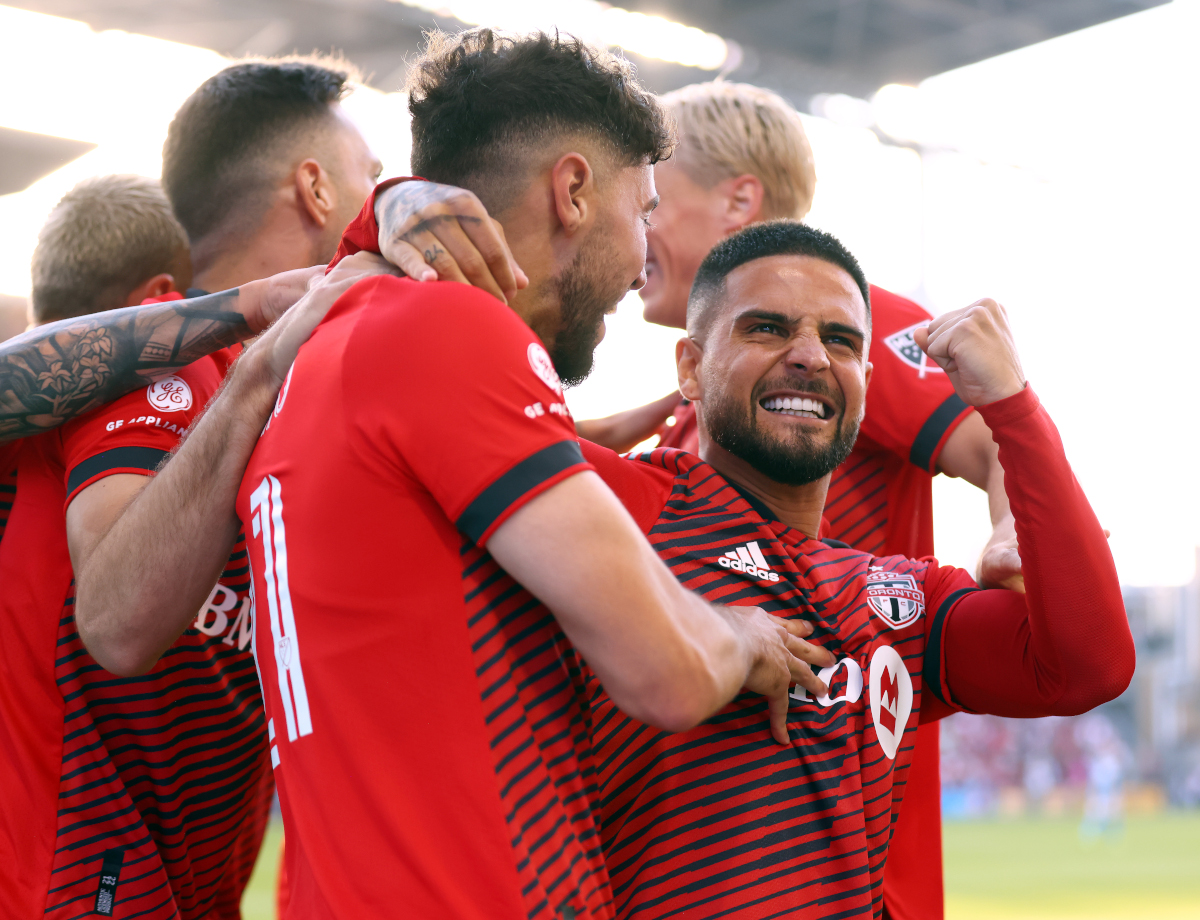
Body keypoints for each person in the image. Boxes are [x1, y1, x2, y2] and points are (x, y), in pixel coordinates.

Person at [76, 30, 822, 919]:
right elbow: (666, 672)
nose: (642, 256)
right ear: (573, 188)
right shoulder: (450, 331)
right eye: (643, 208)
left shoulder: (327, 345)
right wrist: (738, 632)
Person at [577, 220, 1134, 918]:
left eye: (840, 340)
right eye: (767, 329)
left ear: (867, 383)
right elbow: (429, 385)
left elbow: (1089, 668)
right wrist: (400, 206)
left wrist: (1015, 412)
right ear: (690, 367)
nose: (809, 356)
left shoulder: (898, 603)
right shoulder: (607, 509)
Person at [577, 80, 1019, 919]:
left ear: (738, 199)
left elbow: (1000, 442)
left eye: (654, 201)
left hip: (847, 860)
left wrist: (1012, 537)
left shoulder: (843, 334)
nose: (635, 227)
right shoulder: (700, 419)